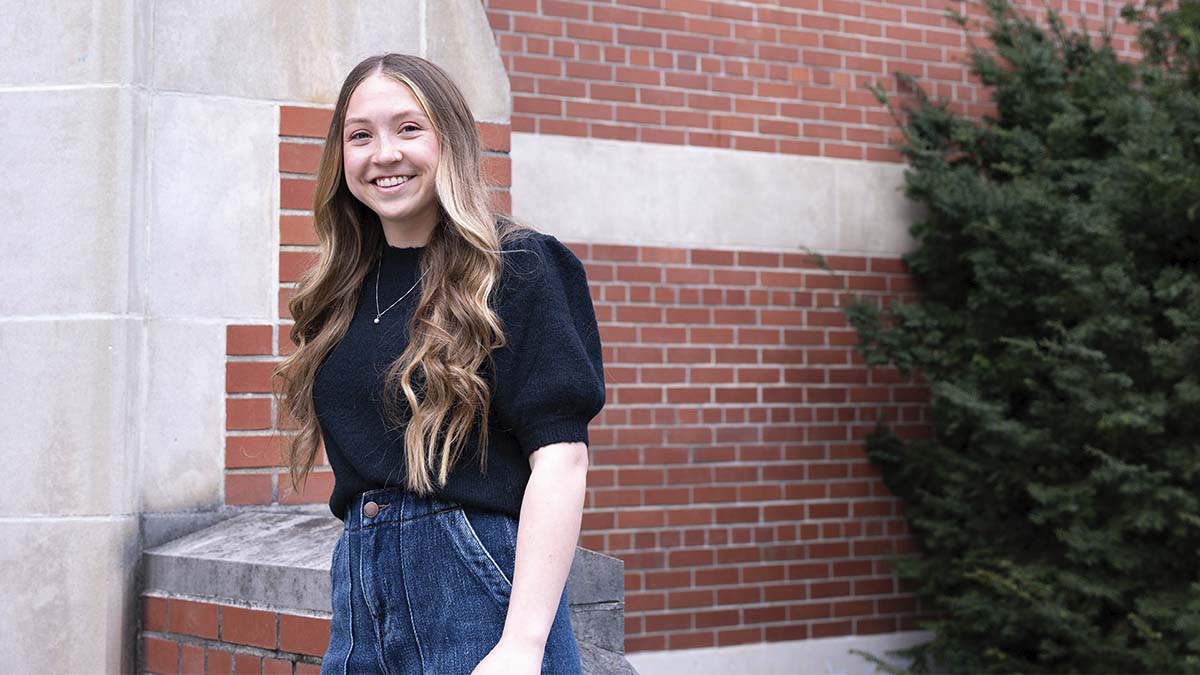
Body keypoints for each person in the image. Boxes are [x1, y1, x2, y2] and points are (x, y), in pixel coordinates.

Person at [272, 53, 606, 675]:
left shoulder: (520, 267)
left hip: (479, 589)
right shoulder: (341, 290)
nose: (384, 153)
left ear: (448, 139)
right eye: (360, 135)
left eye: (408, 128)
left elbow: (561, 459)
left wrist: (522, 644)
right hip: (361, 595)